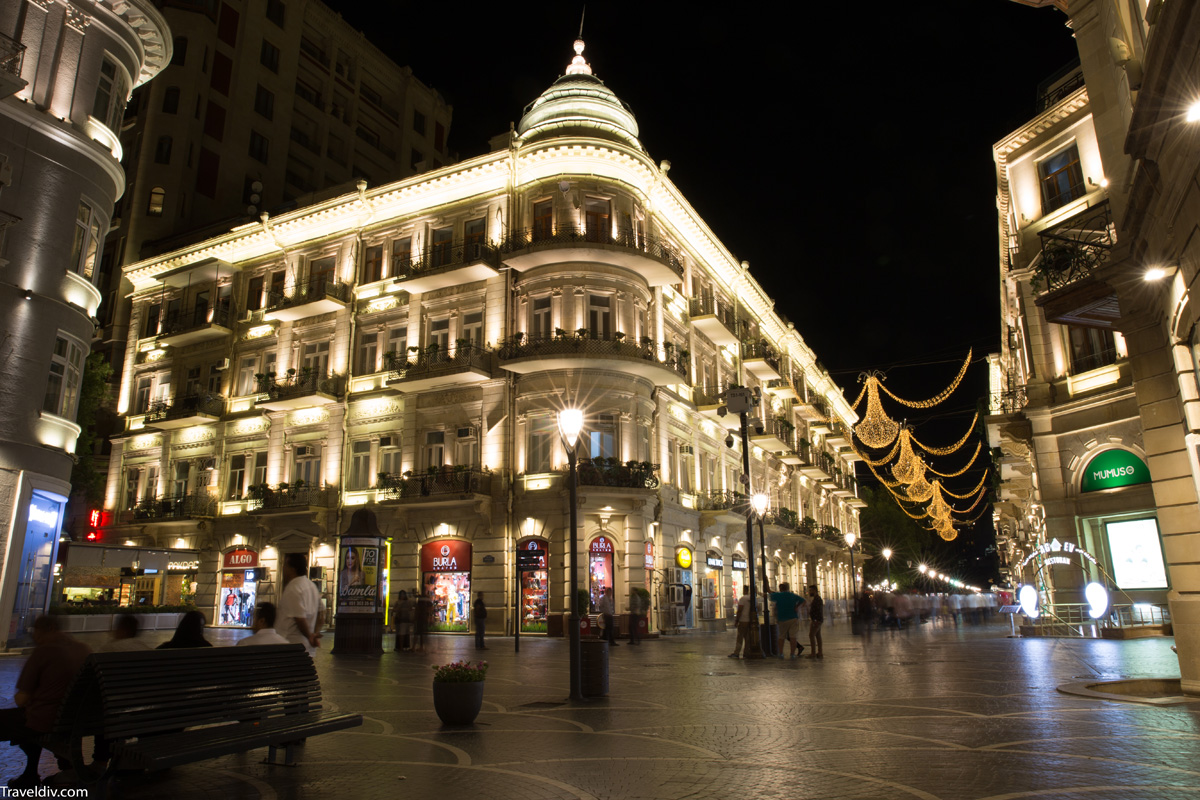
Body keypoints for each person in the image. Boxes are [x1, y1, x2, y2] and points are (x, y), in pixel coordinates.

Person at [0, 616, 90, 789]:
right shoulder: (83, 648)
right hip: (80, 719)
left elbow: (21, 699)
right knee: (30, 718)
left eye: (37, 632)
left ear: (47, 629)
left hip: (48, 720)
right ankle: (35, 772)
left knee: (21, 719)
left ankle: (31, 773)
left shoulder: (45, 651)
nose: (35, 637)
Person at [279, 553, 323, 655]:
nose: (283, 569)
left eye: (285, 565)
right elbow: (322, 613)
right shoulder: (312, 586)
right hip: (306, 647)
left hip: (291, 645)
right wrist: (315, 633)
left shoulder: (293, 588)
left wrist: (310, 636)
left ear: (292, 569)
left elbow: (299, 618)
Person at [769, 582, 805, 659]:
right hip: (793, 618)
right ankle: (792, 654)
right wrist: (797, 607)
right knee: (793, 637)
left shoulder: (778, 595)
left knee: (781, 636)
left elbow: (769, 593)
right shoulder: (792, 595)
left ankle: (781, 653)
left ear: (781, 589)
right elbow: (803, 600)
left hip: (782, 618)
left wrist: (766, 582)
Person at [729, 586, 755, 658]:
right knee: (747, 638)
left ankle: (737, 652)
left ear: (745, 590)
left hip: (743, 620)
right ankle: (746, 652)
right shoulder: (752, 598)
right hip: (749, 620)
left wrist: (737, 620)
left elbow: (740, 610)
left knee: (740, 637)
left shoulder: (743, 599)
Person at [806, 585, 824, 659]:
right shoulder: (817, 599)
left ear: (815, 590)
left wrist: (815, 620)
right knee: (818, 636)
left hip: (816, 620)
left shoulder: (817, 599)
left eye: (811, 591)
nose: (809, 592)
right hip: (818, 620)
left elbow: (818, 611)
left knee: (811, 635)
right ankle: (820, 652)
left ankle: (813, 653)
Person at [414, 589, 432, 653]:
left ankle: (417, 647)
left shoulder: (421, 599)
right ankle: (421, 647)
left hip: (421, 618)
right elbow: (430, 608)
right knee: (421, 634)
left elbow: (417, 608)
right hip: (423, 618)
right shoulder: (426, 600)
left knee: (418, 633)